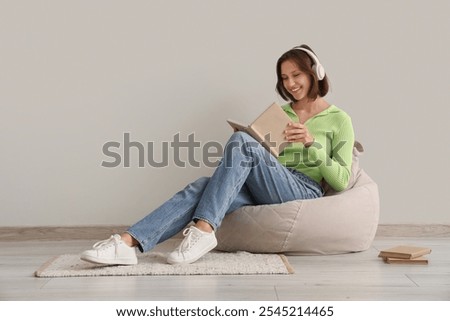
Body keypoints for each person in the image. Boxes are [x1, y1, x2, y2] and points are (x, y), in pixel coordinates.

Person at [80, 44, 355, 265]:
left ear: (314, 73)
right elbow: (266, 158)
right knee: (203, 184)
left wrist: (311, 144)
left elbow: (341, 180)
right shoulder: (281, 114)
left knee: (241, 142)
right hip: (269, 183)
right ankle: (128, 243)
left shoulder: (339, 119)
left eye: (296, 75)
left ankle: (204, 231)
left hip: (303, 188)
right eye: (284, 78)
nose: (290, 83)